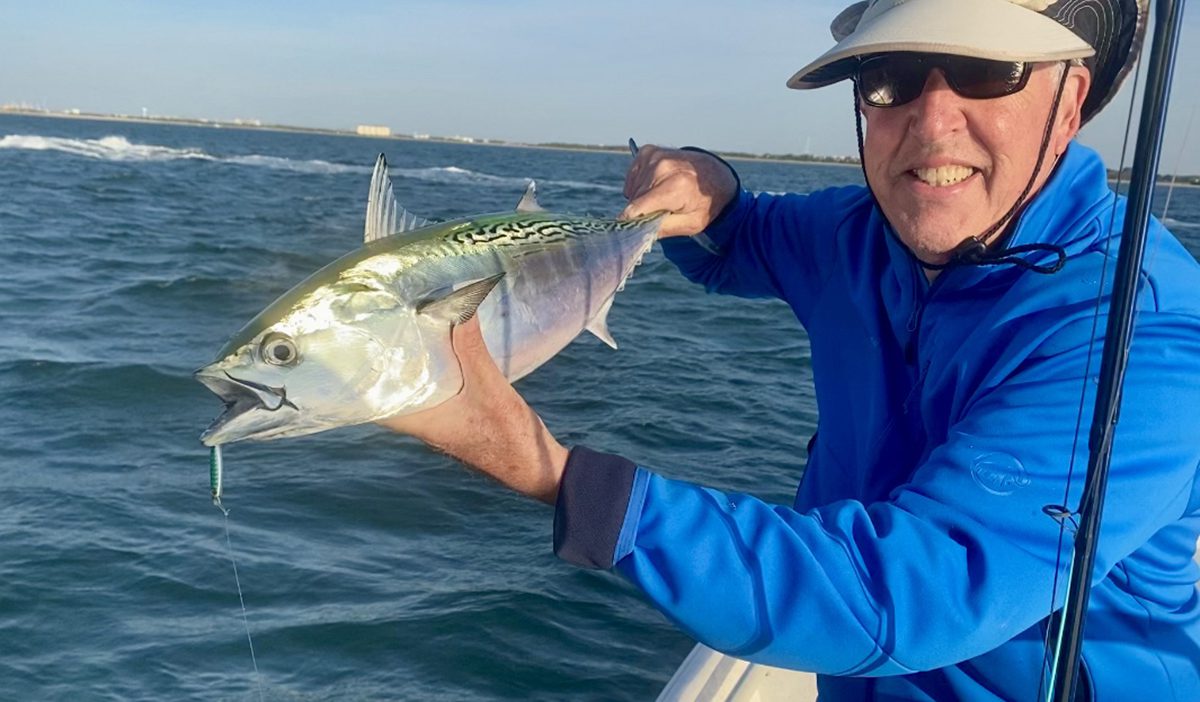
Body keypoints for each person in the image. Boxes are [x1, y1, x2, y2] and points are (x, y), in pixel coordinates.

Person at [383, 0, 1200, 698]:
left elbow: (906, 595)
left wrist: (549, 470)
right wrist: (706, 179)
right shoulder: (861, 236)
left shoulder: (1143, 335)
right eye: (894, 76)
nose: (931, 119)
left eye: (986, 73)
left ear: (1068, 104)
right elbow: (741, 237)